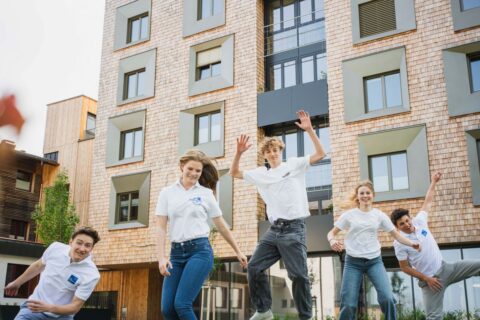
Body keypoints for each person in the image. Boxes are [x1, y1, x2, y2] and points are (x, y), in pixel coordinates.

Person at [230, 110, 326, 320]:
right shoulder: (260, 174)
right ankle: (264, 310)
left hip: (294, 228)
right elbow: (234, 173)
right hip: (274, 231)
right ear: (264, 155)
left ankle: (306, 317)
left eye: (275, 150)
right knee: (254, 267)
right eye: (269, 151)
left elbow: (320, 154)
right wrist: (238, 153)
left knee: (299, 276)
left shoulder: (293, 165)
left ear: (280, 150)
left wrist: (309, 130)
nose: (273, 153)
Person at [156, 149, 248, 320]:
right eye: (190, 169)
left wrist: (238, 250)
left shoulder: (206, 194)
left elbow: (221, 225)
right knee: (167, 309)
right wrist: (161, 257)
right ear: (182, 166)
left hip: (199, 251)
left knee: (182, 304)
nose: (194, 173)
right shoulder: (167, 193)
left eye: (198, 170)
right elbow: (160, 227)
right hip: (175, 254)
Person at [391, 172, 480, 320]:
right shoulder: (399, 242)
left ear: (410, 218)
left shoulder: (420, 221)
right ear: (397, 227)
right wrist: (427, 279)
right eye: (402, 224)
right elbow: (404, 268)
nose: (407, 224)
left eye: (407, 220)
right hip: (431, 282)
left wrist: (434, 181)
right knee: (434, 317)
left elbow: (428, 200)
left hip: (447, 269)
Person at [327, 181, 420, 320]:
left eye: (368, 193)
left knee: (387, 298)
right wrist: (332, 241)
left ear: (373, 195)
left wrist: (412, 243)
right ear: (357, 197)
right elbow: (331, 233)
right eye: (362, 193)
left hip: (374, 262)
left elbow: (396, 235)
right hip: (353, 262)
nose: (365, 196)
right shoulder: (349, 215)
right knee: (348, 304)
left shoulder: (379, 215)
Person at [4, 227, 101, 320]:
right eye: (79, 243)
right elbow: (38, 266)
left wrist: (48, 308)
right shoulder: (55, 248)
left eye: (87, 245)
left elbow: (74, 307)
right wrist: (17, 283)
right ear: (71, 242)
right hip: (33, 308)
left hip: (62, 316)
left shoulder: (91, 274)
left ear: (92, 248)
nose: (82, 249)